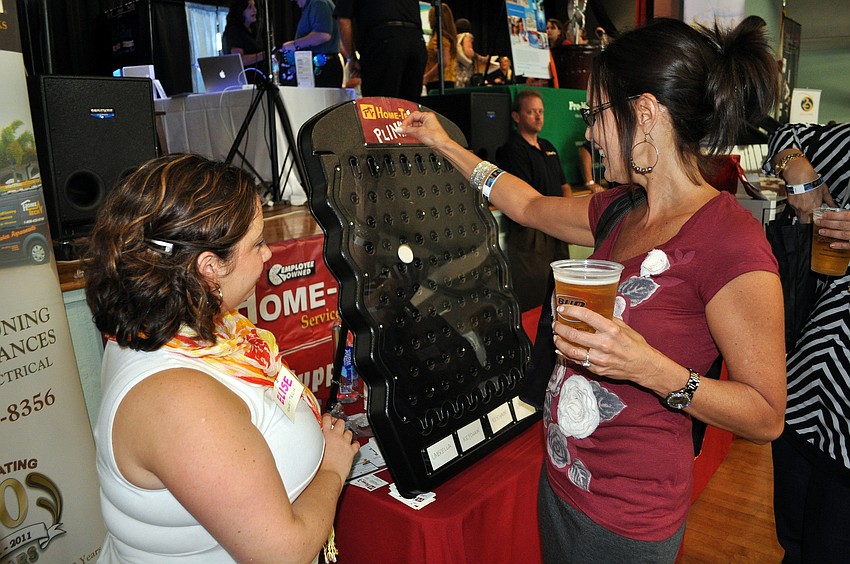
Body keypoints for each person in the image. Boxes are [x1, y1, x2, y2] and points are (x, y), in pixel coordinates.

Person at [400, 16, 785, 562]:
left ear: (645, 113)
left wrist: (651, 368)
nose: (590, 133)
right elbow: (528, 205)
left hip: (630, 515)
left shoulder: (729, 241)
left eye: (597, 114)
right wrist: (446, 147)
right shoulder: (621, 208)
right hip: (562, 481)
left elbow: (767, 414)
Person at [85, 154, 359, 562]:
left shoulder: (166, 324)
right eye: (258, 243)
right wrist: (332, 470)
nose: (268, 256)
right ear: (209, 267)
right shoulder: (178, 401)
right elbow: (282, 554)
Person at [762, 122, 850, 563]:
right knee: (793, 544)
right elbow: (785, 136)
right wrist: (799, 171)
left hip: (845, 431)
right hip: (804, 395)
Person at [496, 89, 572, 312]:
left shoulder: (548, 147)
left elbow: (564, 185)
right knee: (534, 296)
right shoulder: (511, 151)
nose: (538, 117)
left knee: (563, 292)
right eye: (531, 112)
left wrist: (567, 212)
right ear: (516, 116)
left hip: (559, 228)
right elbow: (525, 197)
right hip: (531, 234)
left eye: (540, 111)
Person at [333, 0, 427, 100]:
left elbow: (343, 19)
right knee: (410, 106)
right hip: (416, 39)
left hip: (383, 40)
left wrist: (351, 57)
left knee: (380, 106)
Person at [281, 0, 342, 88]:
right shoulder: (312, 5)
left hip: (323, 68)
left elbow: (323, 35)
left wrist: (294, 45)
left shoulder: (318, 3)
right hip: (319, 66)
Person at [222, 0, 266, 82]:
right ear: (240, 11)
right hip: (244, 83)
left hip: (258, 81)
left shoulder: (254, 31)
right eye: (250, 7)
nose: (255, 10)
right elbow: (238, 60)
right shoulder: (234, 31)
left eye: (254, 6)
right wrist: (263, 55)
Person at [423, 3, 457, 92]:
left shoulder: (439, 38)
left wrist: (426, 77)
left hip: (437, 82)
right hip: (448, 80)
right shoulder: (449, 38)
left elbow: (444, 62)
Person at [454, 18, 488, 88]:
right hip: (464, 70)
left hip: (456, 70)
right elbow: (468, 52)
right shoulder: (466, 35)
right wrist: (481, 59)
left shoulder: (455, 37)